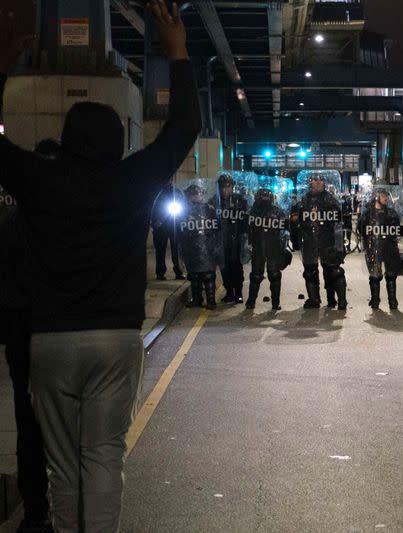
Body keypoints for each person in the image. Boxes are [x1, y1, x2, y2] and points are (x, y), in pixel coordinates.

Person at [0, 3, 201, 531]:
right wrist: (176, 50)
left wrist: (3, 65)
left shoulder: (39, 180)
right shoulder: (131, 181)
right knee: (104, 457)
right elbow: (183, 128)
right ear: (116, 141)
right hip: (115, 339)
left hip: (51, 342)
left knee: (61, 465)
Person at [1, 146, 51, 532]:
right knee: (67, 424)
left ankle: (35, 512)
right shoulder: (68, 223)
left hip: (21, 333)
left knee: (27, 420)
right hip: (58, 332)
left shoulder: (10, 222)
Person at [292, 173, 348, 310]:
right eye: (314, 180)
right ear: (310, 183)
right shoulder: (304, 201)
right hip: (310, 240)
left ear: (324, 183)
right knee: (310, 271)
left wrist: (339, 246)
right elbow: (295, 222)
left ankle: (337, 300)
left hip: (328, 240)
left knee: (333, 270)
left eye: (320, 180)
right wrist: (296, 240)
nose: (317, 182)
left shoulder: (331, 200)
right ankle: (314, 299)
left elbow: (338, 224)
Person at [358, 187, 403, 310]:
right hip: (373, 247)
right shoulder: (368, 214)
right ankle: (375, 300)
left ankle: (392, 301)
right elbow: (361, 229)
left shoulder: (391, 213)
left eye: (387, 195)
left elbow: (398, 230)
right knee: (375, 275)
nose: (386, 198)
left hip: (389, 247)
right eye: (383, 195)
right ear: (376, 196)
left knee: (391, 275)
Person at [245, 187, 292, 310]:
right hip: (259, 246)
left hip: (272, 246)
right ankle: (254, 301)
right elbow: (246, 230)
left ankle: (271, 303)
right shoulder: (252, 212)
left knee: (273, 275)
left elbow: (285, 229)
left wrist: (284, 245)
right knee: (258, 275)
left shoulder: (275, 212)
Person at [179, 183, 221, 310]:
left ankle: (211, 300)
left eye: (198, 194)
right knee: (194, 274)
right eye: (193, 195)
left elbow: (217, 226)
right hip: (191, 245)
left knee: (208, 274)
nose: (196, 197)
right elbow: (179, 228)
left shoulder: (209, 208)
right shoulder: (184, 210)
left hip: (206, 244)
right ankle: (197, 299)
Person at [212, 173, 248, 304]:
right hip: (221, 241)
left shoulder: (240, 201)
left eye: (228, 187)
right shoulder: (214, 201)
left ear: (232, 187)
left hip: (236, 240)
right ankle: (230, 292)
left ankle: (238, 293)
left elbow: (246, 220)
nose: (225, 190)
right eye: (222, 187)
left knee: (236, 268)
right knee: (224, 268)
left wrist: (245, 239)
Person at [151, 183, 185, 280]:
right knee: (160, 250)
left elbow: (182, 205)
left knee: (176, 249)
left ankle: (179, 271)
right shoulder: (156, 192)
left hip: (174, 224)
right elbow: (150, 207)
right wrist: (153, 221)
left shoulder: (176, 192)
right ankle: (160, 273)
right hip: (160, 225)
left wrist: (182, 219)